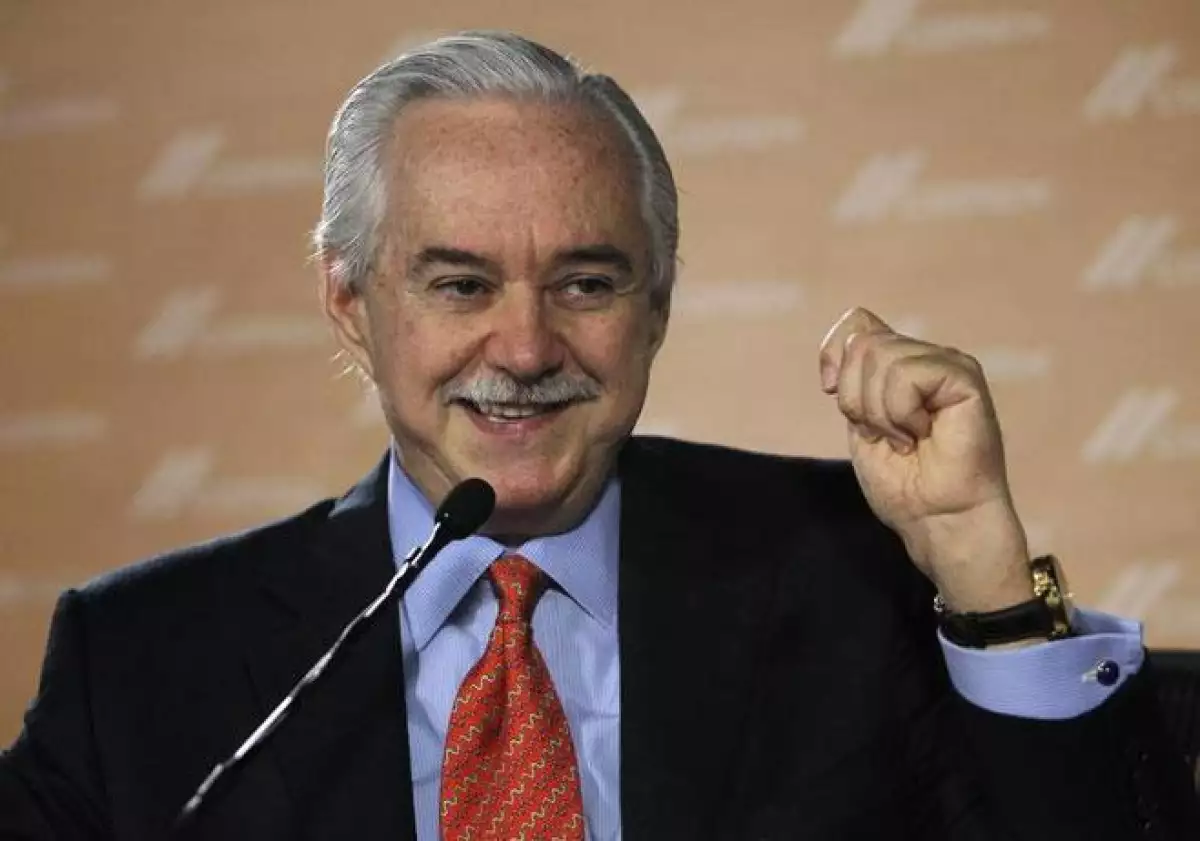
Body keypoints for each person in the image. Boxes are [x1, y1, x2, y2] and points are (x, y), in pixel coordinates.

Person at [1, 30, 1196, 841]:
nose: (526, 349)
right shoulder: (142, 661)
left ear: (657, 306)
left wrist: (986, 581)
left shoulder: (850, 573)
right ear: (351, 304)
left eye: (585, 283)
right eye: (461, 285)